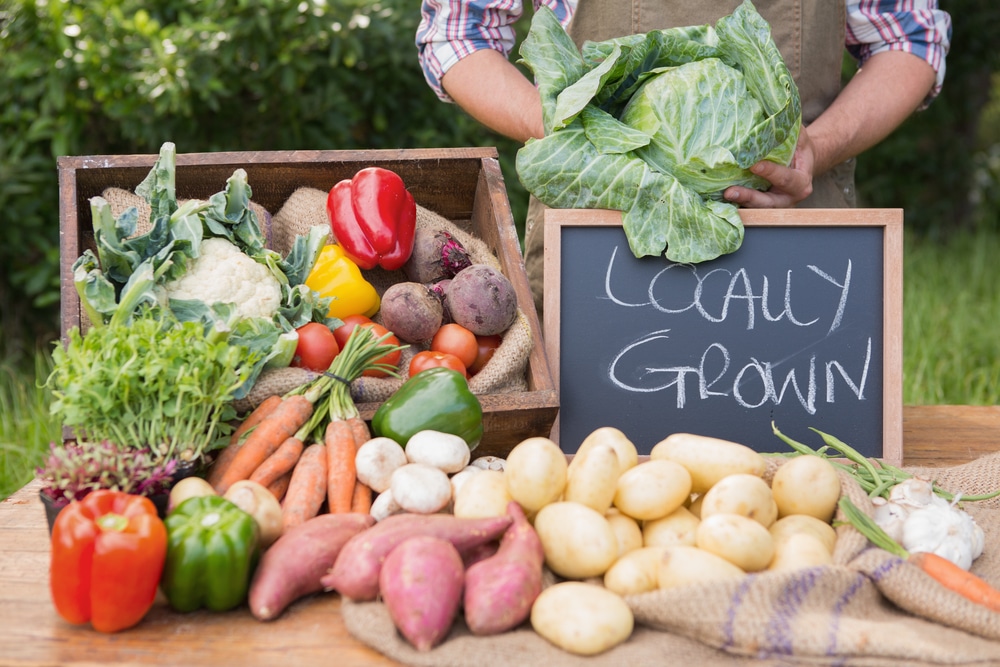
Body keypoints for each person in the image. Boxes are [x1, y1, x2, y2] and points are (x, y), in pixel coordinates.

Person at [416, 1, 952, 315]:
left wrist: (819, 145)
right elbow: (458, 33)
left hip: (796, 243)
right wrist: (582, 131)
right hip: (599, 244)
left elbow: (910, 38)